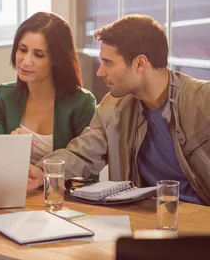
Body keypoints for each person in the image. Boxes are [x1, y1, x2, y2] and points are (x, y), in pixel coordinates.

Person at [27, 14, 210, 205]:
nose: (100, 72)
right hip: (144, 220)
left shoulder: (203, 101)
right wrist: (41, 172)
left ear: (139, 63)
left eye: (108, 63)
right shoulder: (113, 107)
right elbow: (81, 154)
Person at [0, 12, 96, 164]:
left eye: (38, 54)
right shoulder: (4, 96)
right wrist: (11, 146)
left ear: (57, 60)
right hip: (14, 186)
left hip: (62, 188)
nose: (26, 61)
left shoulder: (82, 103)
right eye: (22, 50)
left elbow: (88, 164)